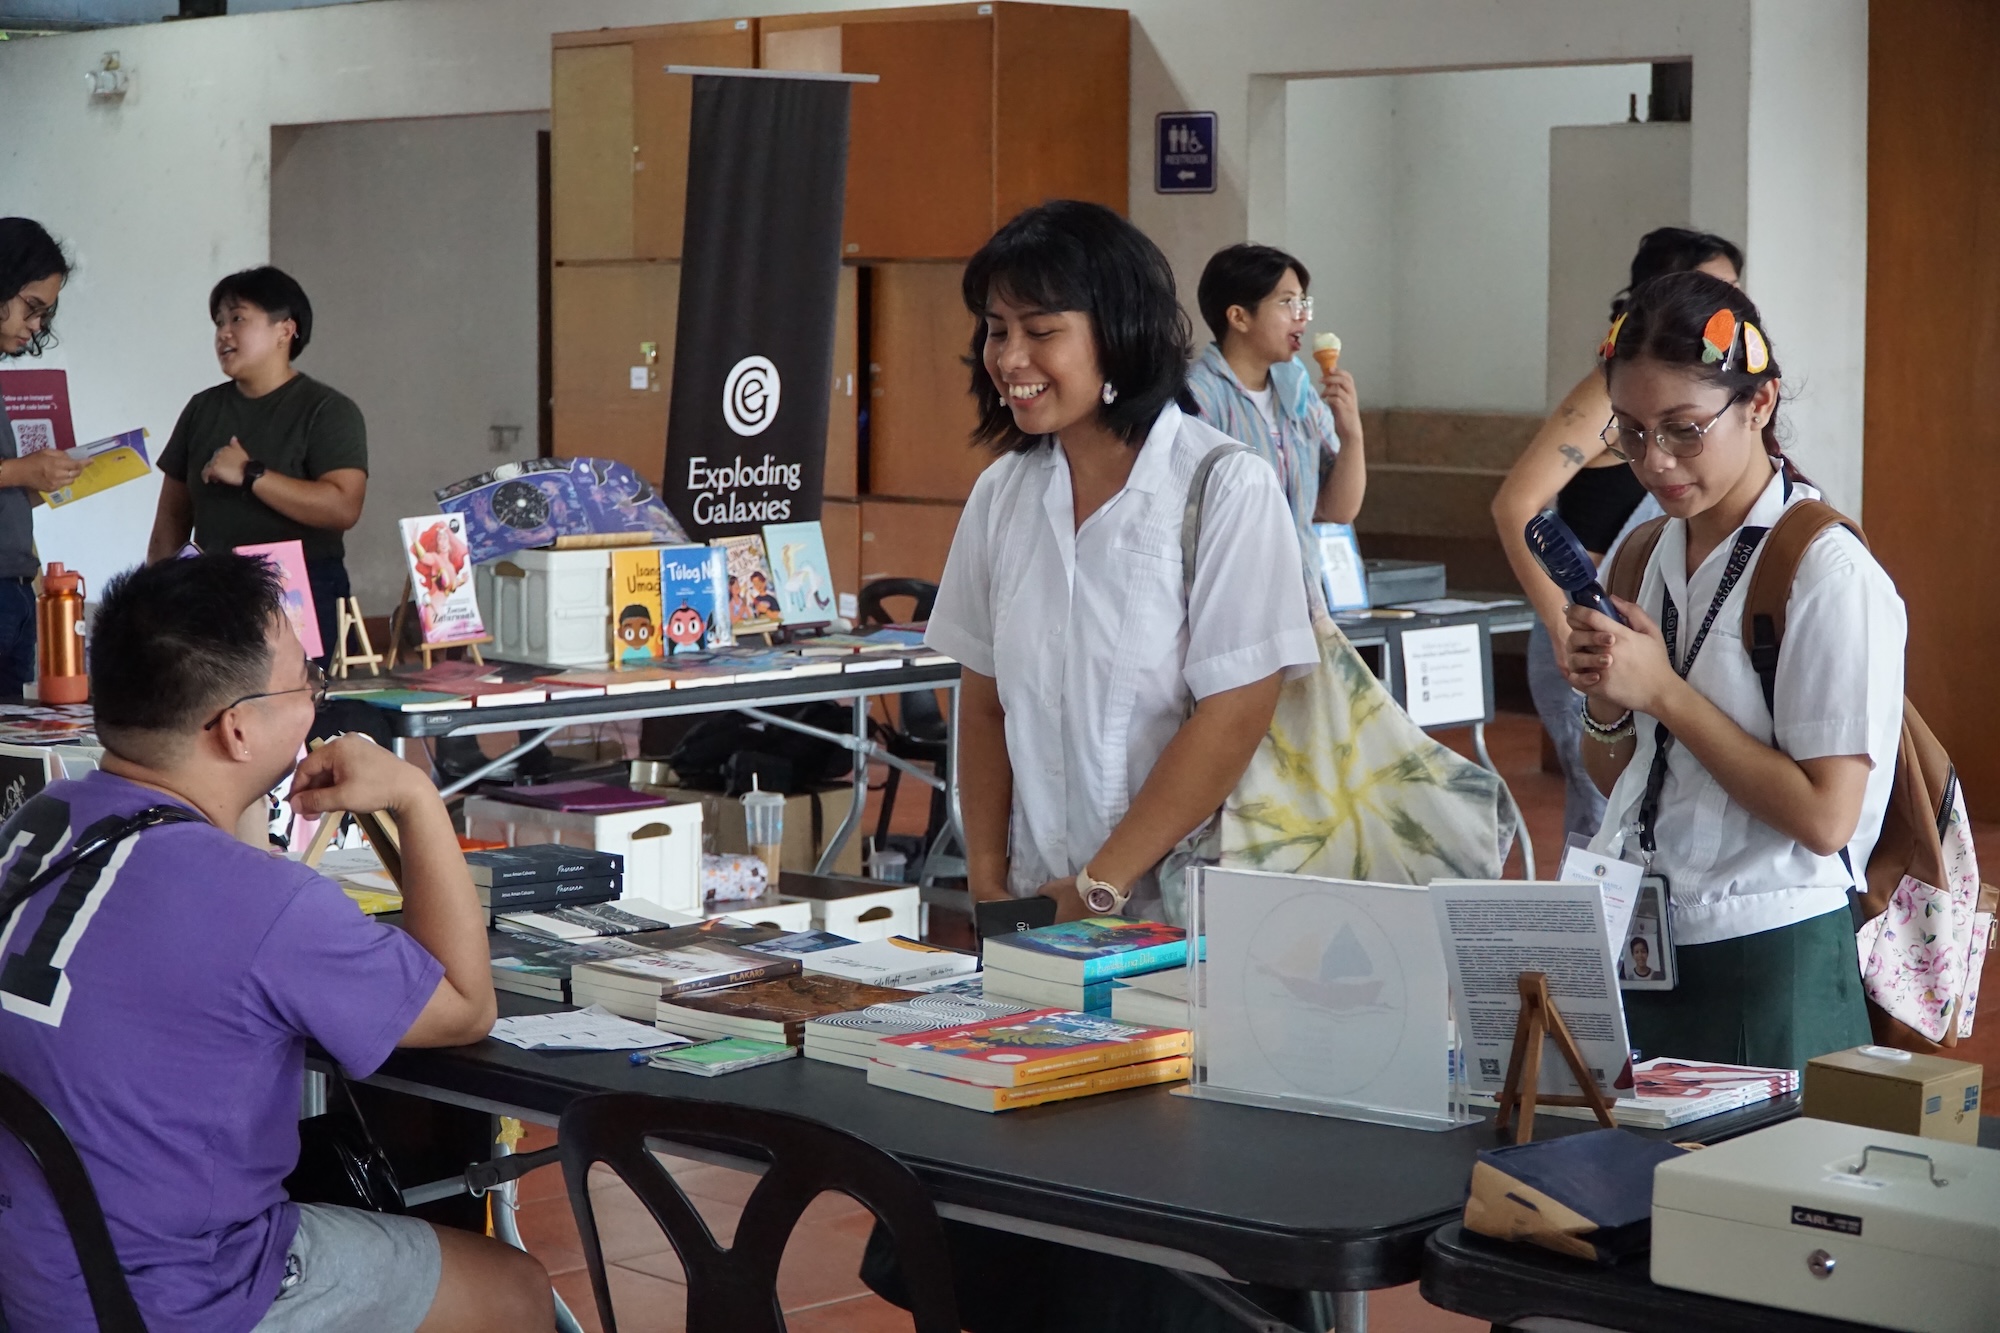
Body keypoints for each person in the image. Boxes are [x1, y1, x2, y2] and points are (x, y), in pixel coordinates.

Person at [0, 554, 552, 1332]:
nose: (317, 700)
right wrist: (413, 794)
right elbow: (464, 1007)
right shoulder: (267, 905)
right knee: (516, 1288)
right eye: (307, 682)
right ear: (237, 726)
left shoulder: (39, 821)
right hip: (168, 1293)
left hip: (28, 1265)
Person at [927, 201, 1317, 929]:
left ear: (1119, 334)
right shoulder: (1003, 493)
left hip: (1185, 919)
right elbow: (983, 699)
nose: (1011, 359)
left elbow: (1236, 712)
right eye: (996, 329)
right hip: (1036, 907)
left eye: (1042, 332)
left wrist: (1098, 885)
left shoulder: (1224, 486)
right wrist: (987, 878)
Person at [1564, 271, 1904, 1070]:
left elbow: (1827, 818)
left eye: (1684, 429)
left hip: (1770, 949)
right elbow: (1615, 768)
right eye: (1633, 432)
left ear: (1759, 404)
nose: (1656, 461)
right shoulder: (1646, 551)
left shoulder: (1824, 570)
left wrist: (1664, 694)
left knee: (1760, 1195)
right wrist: (1607, 704)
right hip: (1643, 937)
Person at [1492, 228, 1744, 839]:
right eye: (1717, 291)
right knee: (1609, 821)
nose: (1733, 310)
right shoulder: (1611, 393)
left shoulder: (1715, 398)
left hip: (1638, 635)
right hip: (1589, 630)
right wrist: (1561, 622)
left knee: (1633, 822)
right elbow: (1515, 504)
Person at [146, 267, 367, 666]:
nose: (223, 333)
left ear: (286, 330)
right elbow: (170, 522)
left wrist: (251, 474)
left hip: (301, 590)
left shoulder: (327, 410)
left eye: (238, 319)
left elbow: (343, 506)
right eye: (218, 323)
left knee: (300, 714)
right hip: (213, 588)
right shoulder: (202, 409)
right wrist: (152, 602)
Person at [1185, 243, 1365, 610]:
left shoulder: (1299, 396)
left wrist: (1352, 436)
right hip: (1229, 607)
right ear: (1239, 317)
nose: (1302, 317)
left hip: (1302, 604)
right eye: (1287, 303)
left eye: (1304, 303)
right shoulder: (1196, 398)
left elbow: (1338, 510)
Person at [0, 219, 85, 698]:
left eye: (44, 315)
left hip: (15, 584)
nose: (35, 326)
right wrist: (20, 471)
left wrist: (35, 485)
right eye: (31, 308)